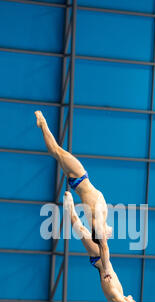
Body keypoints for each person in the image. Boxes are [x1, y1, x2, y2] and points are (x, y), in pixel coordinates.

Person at [35, 110, 112, 280]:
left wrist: (106, 269)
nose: (110, 233)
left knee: (57, 151)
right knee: (55, 152)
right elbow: (104, 247)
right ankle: (42, 123)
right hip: (77, 183)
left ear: (100, 236)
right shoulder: (100, 221)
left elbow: (104, 249)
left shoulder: (98, 223)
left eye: (107, 235)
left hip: (80, 177)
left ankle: (43, 122)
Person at [65, 191, 155, 302]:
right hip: (99, 261)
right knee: (82, 230)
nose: (133, 300)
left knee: (80, 228)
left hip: (98, 258)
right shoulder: (119, 301)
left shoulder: (117, 297)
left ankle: (71, 207)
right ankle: (81, 214)